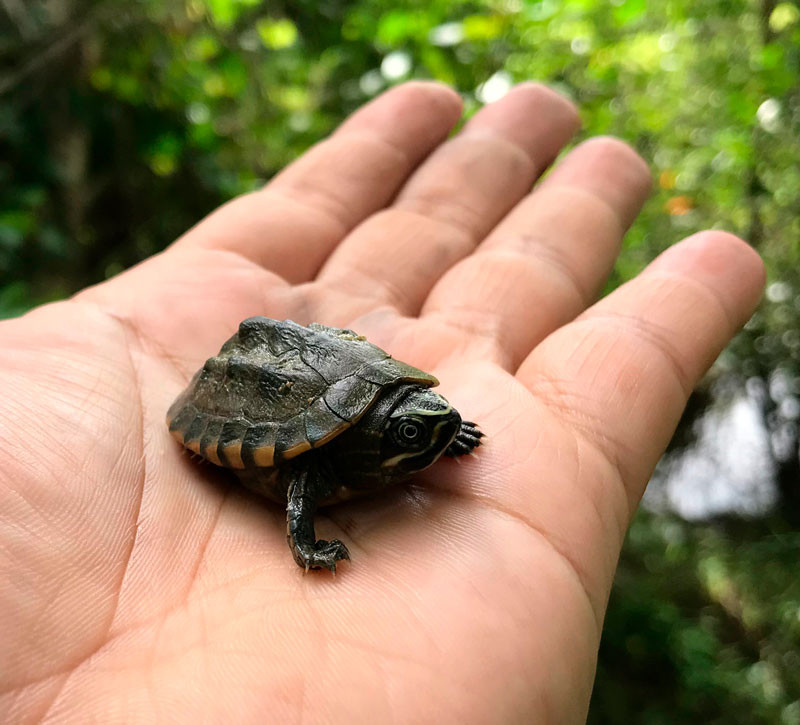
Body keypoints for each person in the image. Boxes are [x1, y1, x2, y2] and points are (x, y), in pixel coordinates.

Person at [0, 82, 763, 722]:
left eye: (432, 423)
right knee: (310, 454)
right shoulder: (327, 458)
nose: (436, 425)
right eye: (420, 429)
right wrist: (305, 543)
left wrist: (446, 432)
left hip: (343, 376)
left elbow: (417, 413)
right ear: (380, 438)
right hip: (241, 389)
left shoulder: (407, 424)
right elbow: (300, 474)